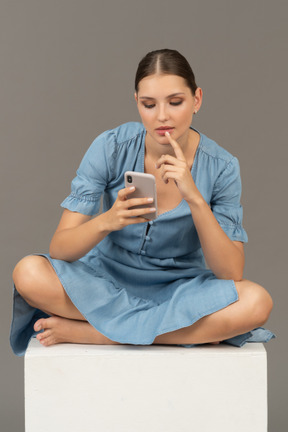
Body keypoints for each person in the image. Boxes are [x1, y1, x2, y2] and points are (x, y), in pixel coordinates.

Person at [10, 49, 274, 355]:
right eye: (149, 105)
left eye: (176, 102)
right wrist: (108, 220)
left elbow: (230, 272)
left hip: (180, 290)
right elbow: (60, 249)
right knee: (28, 273)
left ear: (197, 100)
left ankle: (102, 334)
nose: (162, 116)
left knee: (257, 302)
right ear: (137, 103)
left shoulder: (223, 166)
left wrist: (195, 198)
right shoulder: (111, 148)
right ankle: (169, 331)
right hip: (106, 282)